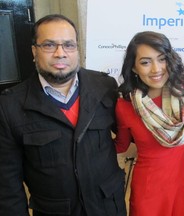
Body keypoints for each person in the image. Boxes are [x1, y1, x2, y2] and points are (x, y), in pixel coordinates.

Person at [0, 14, 126, 216]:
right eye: (49, 45)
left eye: (69, 45)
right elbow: (7, 185)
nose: (60, 53)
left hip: (108, 207)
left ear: (77, 49)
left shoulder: (105, 86)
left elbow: (131, 129)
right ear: (34, 51)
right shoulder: (9, 106)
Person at [114, 31, 184, 216]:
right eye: (145, 62)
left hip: (182, 188)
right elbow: (121, 145)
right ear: (133, 68)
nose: (156, 69)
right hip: (147, 192)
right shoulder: (125, 106)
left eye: (161, 59)